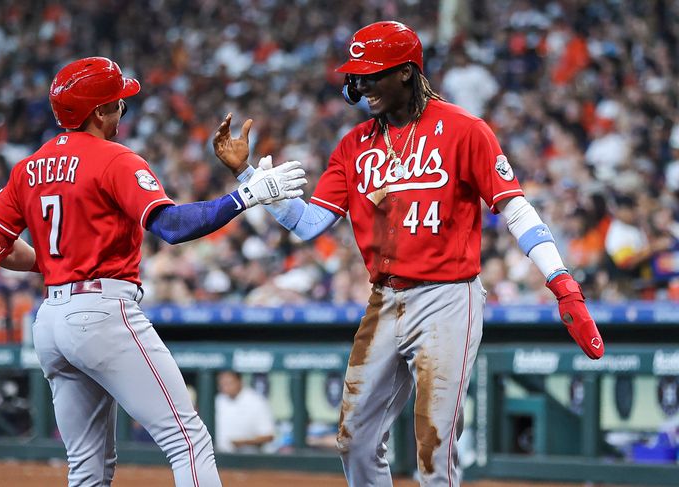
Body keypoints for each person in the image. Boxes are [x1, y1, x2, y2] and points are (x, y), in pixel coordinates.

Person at [214, 21, 605, 487]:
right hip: (384, 299)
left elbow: (514, 208)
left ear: (405, 72)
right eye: (356, 76)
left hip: (448, 297)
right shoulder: (354, 144)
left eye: (371, 74)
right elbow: (309, 224)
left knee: (433, 445)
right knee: (354, 438)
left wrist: (560, 281)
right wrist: (250, 182)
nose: (360, 86)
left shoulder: (464, 129)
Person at [0, 56, 305, 487]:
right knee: (188, 440)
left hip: (51, 322)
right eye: (116, 103)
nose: (122, 110)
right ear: (97, 112)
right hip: (102, 311)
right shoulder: (115, 159)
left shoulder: (28, 168)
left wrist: (55, 263)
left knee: (87, 469)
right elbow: (172, 226)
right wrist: (246, 196)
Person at [214, 371, 275, 453]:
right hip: (219, 456)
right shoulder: (218, 400)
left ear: (240, 382)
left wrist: (244, 442)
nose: (225, 387)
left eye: (229, 383)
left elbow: (268, 436)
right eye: (222, 384)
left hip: (250, 458)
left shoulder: (256, 401)